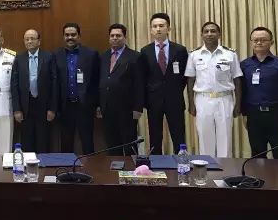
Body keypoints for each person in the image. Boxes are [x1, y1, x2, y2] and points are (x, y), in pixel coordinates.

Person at [186, 21, 243, 158]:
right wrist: (191, 103)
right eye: (206, 31)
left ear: (219, 34)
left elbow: (237, 79)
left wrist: (238, 104)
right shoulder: (194, 55)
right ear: (202, 35)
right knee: (205, 137)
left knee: (225, 138)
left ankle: (225, 168)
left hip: (225, 99)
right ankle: (208, 168)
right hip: (203, 99)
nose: (209, 34)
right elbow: (190, 80)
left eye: (213, 31)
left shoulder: (230, 54)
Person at [240, 26, 278, 159]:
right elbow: (242, 91)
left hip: (276, 115)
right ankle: (259, 174)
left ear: (271, 42)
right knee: (257, 155)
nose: (259, 43)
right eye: (255, 40)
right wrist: (244, 113)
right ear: (251, 42)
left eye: (263, 40)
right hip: (254, 116)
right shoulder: (244, 65)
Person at [140, 12, 189, 154]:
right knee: (155, 137)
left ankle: (181, 162)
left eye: (161, 26)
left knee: (178, 135)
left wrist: (174, 90)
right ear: (151, 30)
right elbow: (144, 77)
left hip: (174, 99)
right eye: (155, 26)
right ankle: (156, 163)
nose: (158, 29)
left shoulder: (180, 50)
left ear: (168, 28)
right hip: (153, 101)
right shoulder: (145, 51)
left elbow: (185, 76)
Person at [98, 24, 144, 155]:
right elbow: (100, 81)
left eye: (118, 35)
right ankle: (114, 167)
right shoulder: (103, 57)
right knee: (112, 145)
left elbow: (139, 84)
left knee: (129, 144)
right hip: (107, 108)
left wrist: (138, 108)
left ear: (125, 37)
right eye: (112, 36)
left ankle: (131, 167)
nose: (115, 38)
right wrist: (99, 105)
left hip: (127, 109)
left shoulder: (135, 56)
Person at [54, 23, 100, 154]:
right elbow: (54, 82)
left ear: (79, 36)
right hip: (65, 106)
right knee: (66, 141)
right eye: (67, 35)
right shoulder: (56, 55)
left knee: (87, 140)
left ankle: (90, 166)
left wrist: (98, 104)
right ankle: (66, 166)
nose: (70, 37)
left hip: (84, 105)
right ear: (63, 37)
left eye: (73, 35)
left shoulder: (91, 54)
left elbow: (97, 81)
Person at [11, 29, 57, 153]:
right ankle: (29, 163)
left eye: (32, 39)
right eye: (27, 39)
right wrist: (17, 109)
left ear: (39, 41)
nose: (29, 41)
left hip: (44, 105)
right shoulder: (19, 58)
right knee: (27, 141)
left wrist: (52, 108)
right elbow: (14, 85)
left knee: (43, 140)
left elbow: (54, 84)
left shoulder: (48, 57)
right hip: (26, 106)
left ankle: (44, 164)